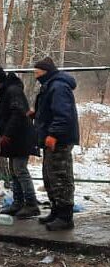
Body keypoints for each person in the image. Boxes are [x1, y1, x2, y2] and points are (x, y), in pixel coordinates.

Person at [0, 65, 40, 219]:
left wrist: (7, 134)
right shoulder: (7, 91)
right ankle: (18, 202)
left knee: (20, 170)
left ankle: (31, 204)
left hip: (19, 137)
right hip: (15, 137)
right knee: (14, 171)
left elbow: (18, 113)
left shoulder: (12, 91)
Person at [33, 57, 79, 231]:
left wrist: (53, 134)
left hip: (59, 140)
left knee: (60, 176)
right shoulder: (50, 86)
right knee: (50, 176)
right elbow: (49, 111)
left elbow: (63, 114)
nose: (36, 77)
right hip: (50, 138)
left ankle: (65, 216)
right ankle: (56, 210)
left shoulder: (58, 87)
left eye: (38, 73)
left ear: (46, 72)